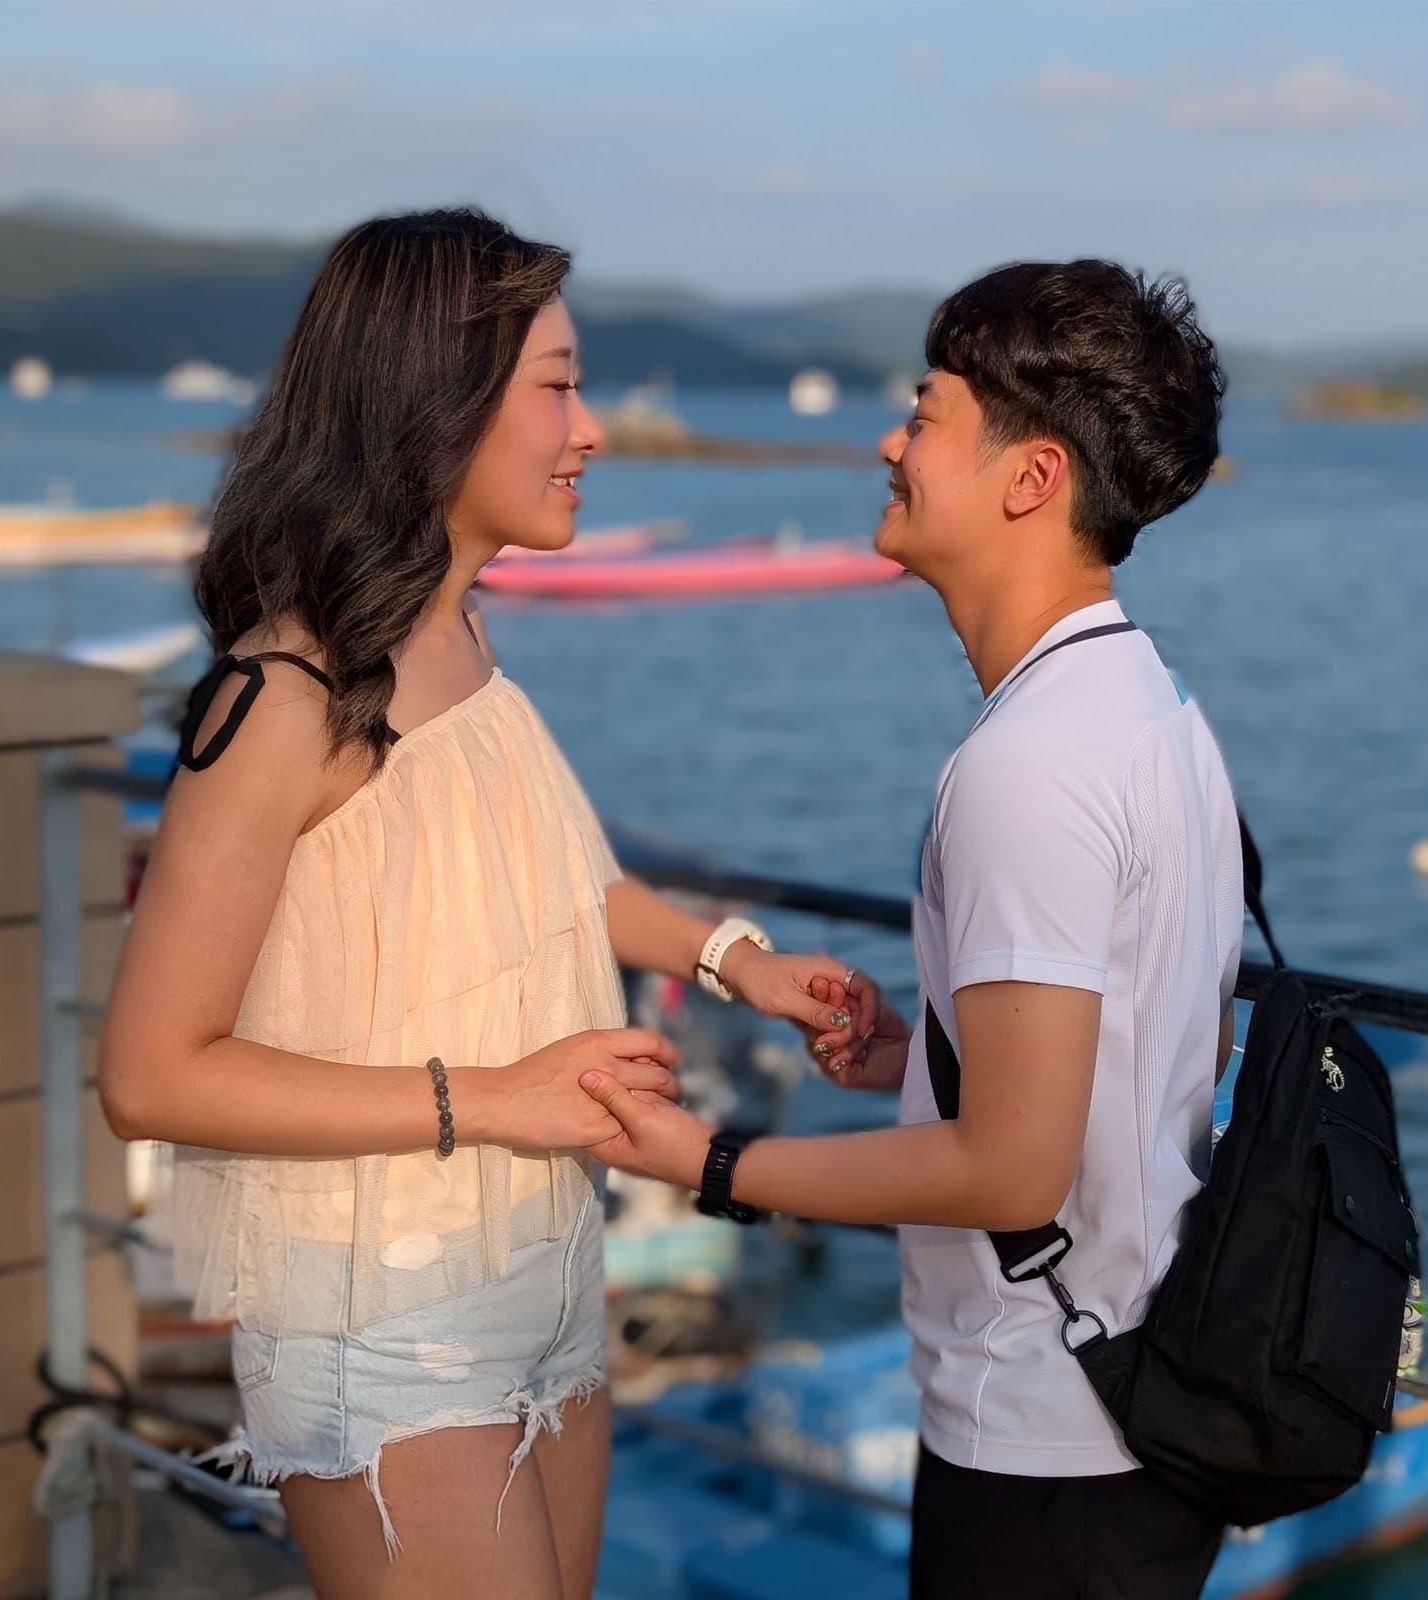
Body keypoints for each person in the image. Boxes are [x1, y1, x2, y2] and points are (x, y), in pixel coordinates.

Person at [97, 208, 856, 1600]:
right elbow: (151, 1074)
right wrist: (500, 1097)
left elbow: (550, 881)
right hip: (381, 1310)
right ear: (435, 402)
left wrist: (736, 959)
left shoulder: (456, 629)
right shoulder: (286, 693)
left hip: (543, 1268)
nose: (593, 432)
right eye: (559, 387)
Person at [582, 259, 1241, 1600]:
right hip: (1134, 1404)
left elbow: (1009, 1174)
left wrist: (713, 1160)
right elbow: (1171, 1036)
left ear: (1032, 477)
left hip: (1044, 1436)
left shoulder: (1029, 764)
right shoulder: (1154, 709)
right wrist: (923, 1065)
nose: (889, 444)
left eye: (926, 413)